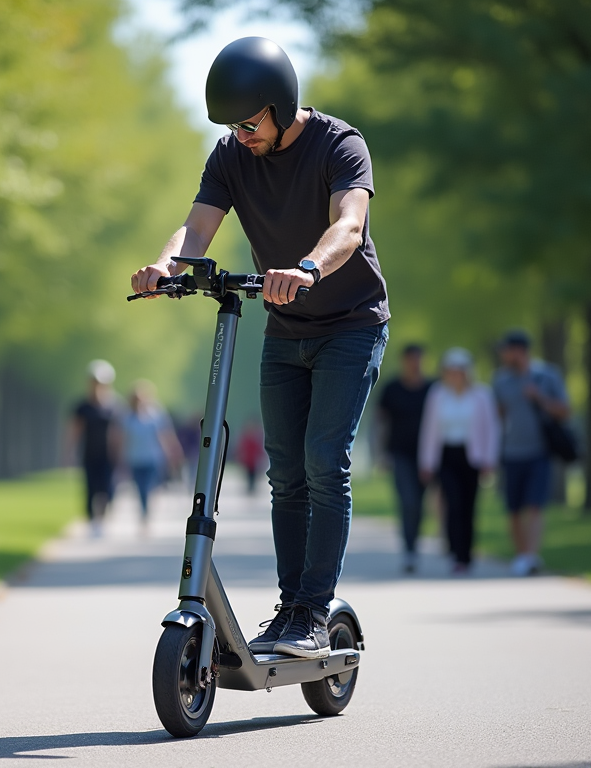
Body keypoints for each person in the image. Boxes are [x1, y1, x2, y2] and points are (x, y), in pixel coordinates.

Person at [131, 37, 388, 659]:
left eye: (250, 122)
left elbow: (348, 225)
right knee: (285, 474)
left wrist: (306, 267)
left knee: (325, 459)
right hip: (286, 330)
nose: (241, 134)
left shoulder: (340, 144)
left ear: (282, 103)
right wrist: (168, 265)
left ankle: (313, 608)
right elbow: (197, 226)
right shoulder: (230, 155)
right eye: (229, 125)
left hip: (350, 324)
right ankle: (291, 610)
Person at [492, 330, 570, 576]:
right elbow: (497, 415)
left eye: (507, 349)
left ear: (519, 351)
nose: (503, 354)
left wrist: (540, 398)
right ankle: (521, 555)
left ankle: (531, 556)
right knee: (514, 509)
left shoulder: (547, 376)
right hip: (511, 453)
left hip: (539, 452)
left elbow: (565, 411)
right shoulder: (500, 380)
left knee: (535, 505)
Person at [418, 348, 500, 574]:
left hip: (472, 456)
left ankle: (466, 554)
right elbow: (430, 430)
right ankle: (455, 551)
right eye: (450, 371)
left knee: (468, 506)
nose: (454, 375)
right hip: (446, 455)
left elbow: (491, 429)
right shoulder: (437, 394)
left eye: (459, 371)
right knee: (452, 504)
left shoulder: (482, 395)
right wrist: (426, 462)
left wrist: (489, 460)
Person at [376, 344, 434, 573]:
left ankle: (416, 543)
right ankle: (409, 548)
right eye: (410, 359)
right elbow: (381, 424)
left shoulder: (433, 388)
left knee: (420, 504)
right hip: (399, 454)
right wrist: (380, 454)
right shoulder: (392, 388)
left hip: (426, 456)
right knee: (407, 501)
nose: (414, 363)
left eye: (418, 359)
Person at [67, 360, 120, 537]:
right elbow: (75, 430)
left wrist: (120, 452)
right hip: (89, 453)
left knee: (106, 488)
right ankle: (92, 522)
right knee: (90, 488)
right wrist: (68, 452)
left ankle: (102, 519)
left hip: (108, 455)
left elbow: (118, 432)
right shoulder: (83, 406)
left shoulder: (114, 405)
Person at [120, 381, 183, 529]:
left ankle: (146, 512)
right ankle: (144, 511)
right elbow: (123, 438)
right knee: (139, 487)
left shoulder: (155, 414)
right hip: (134, 458)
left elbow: (165, 434)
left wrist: (173, 451)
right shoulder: (128, 417)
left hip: (153, 458)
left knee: (148, 487)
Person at [236, 420, 267, 494]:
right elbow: (242, 448)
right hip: (248, 460)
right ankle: (250, 487)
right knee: (249, 474)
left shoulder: (255, 437)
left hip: (253, 460)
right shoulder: (247, 438)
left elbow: (258, 449)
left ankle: (252, 487)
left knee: (253, 474)